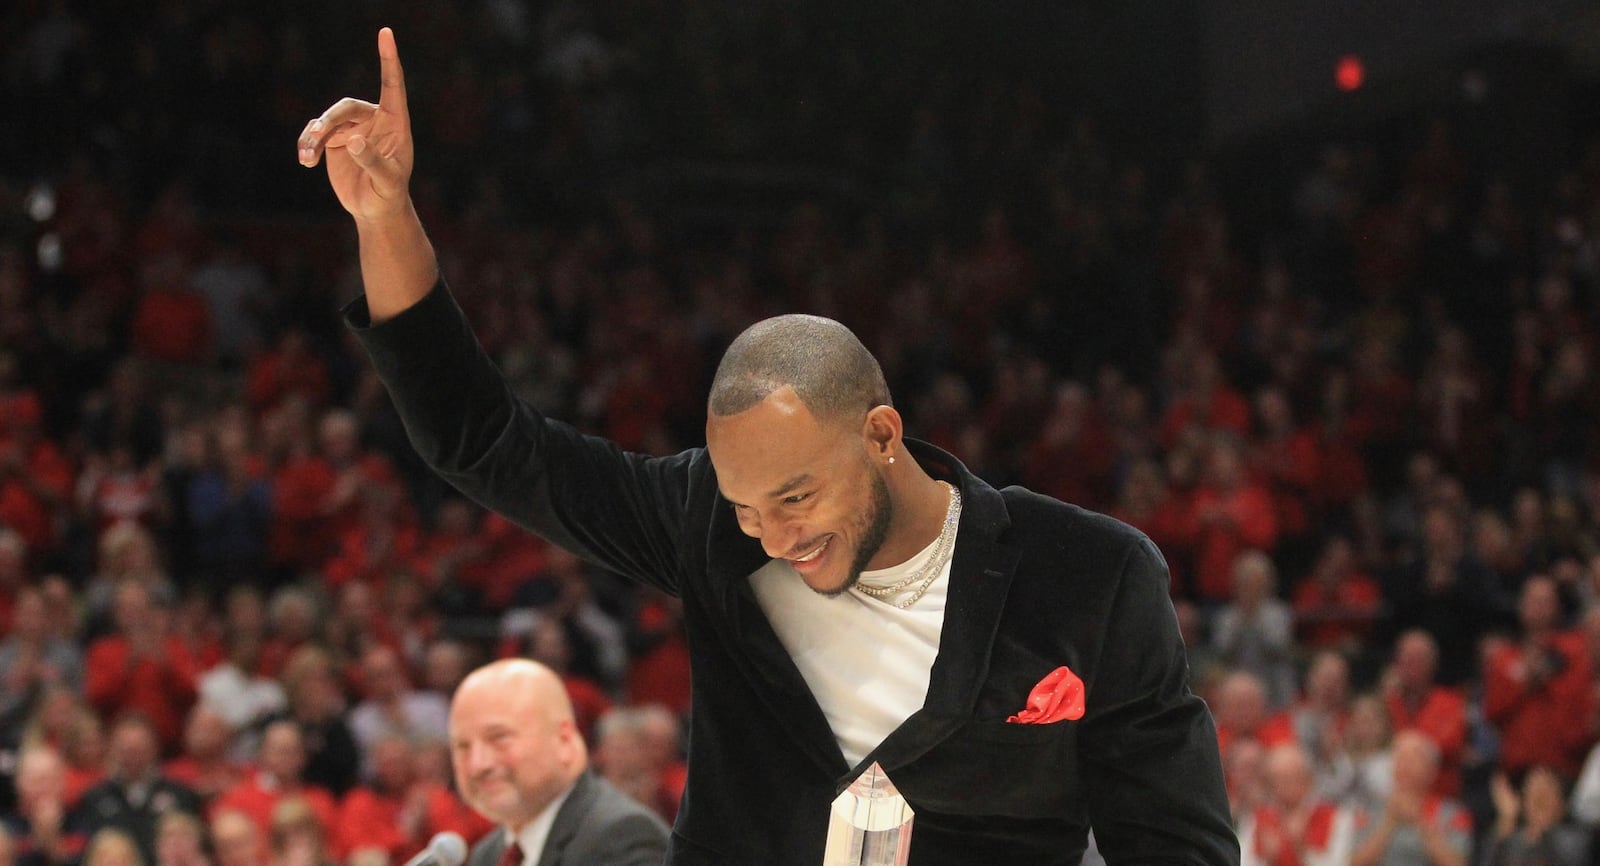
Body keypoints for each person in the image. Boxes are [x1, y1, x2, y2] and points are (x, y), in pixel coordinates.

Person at [297, 28, 1236, 865]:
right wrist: (383, 215)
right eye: (747, 508)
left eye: (794, 497)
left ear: (881, 434)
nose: (775, 535)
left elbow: (1176, 844)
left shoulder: (1089, 576)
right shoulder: (708, 523)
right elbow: (485, 442)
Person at [448, 659, 668, 866]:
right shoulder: (487, 854)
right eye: (462, 746)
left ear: (563, 741)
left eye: (499, 738)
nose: (478, 764)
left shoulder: (622, 837)